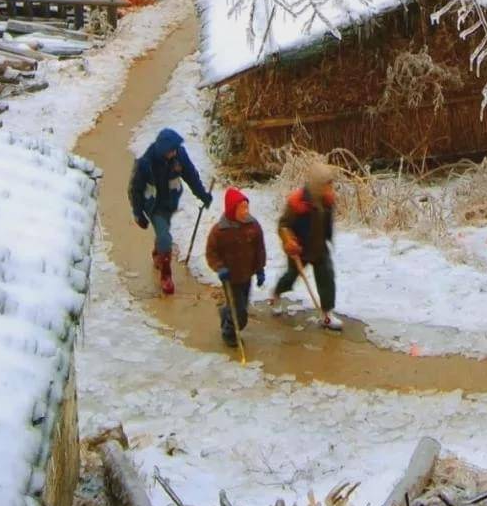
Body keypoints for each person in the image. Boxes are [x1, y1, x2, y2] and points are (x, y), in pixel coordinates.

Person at [128, 126, 211, 295]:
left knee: (163, 232)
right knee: (165, 235)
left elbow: (190, 175)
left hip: (170, 202)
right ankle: (166, 275)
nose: (174, 153)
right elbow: (134, 189)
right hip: (153, 205)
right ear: (162, 150)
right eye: (170, 151)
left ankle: (159, 251)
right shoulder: (145, 163)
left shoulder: (179, 155)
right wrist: (138, 213)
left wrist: (202, 195)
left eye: (175, 150)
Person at [272, 160, 342, 330]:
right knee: (290, 277)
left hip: (319, 247)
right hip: (299, 249)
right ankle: (276, 294)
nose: (330, 189)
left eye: (331, 185)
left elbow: (325, 223)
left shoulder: (327, 200)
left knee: (326, 278)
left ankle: (326, 313)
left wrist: (327, 238)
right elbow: (283, 225)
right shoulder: (297, 202)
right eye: (327, 185)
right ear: (317, 185)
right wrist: (289, 240)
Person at [205, 187, 266, 349]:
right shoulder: (219, 231)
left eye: (247, 207)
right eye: (242, 208)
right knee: (240, 315)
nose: (246, 211)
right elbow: (211, 253)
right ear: (232, 210)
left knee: (241, 307)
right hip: (229, 277)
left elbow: (259, 249)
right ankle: (229, 333)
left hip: (247, 275)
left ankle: (225, 313)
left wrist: (260, 269)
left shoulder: (253, 226)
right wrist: (219, 268)